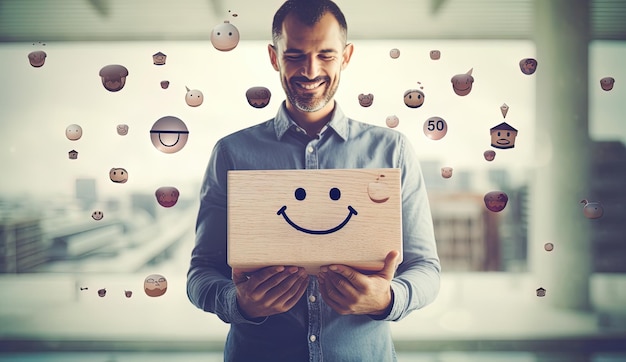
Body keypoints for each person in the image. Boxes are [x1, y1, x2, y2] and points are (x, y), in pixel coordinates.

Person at [186, 0, 441, 360]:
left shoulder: (392, 151)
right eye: (294, 56)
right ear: (274, 57)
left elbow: (426, 268)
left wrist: (387, 298)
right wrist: (239, 303)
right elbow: (201, 273)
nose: (310, 70)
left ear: (346, 56)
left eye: (326, 55)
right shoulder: (231, 153)